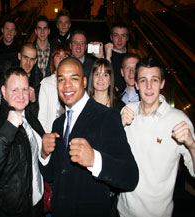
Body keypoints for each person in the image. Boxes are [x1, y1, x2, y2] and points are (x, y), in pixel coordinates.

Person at [39, 57, 139, 217]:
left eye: (74, 78)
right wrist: (44, 154)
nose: (67, 85)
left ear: (85, 82)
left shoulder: (107, 117)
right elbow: (52, 175)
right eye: (61, 79)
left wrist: (95, 160)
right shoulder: (58, 123)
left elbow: (130, 176)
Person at [118, 57, 195, 217]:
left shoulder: (178, 120)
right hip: (124, 211)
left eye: (154, 80)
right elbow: (111, 153)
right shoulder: (127, 112)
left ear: (162, 84)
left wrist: (192, 144)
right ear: (136, 85)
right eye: (143, 80)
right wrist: (118, 127)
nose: (148, 86)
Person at [0, 67, 45, 217]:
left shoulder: (32, 120)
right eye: (14, 90)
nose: (21, 95)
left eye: (24, 89)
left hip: (36, 207)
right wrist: (8, 129)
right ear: (3, 91)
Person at [38, 44, 71, 133]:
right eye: (58, 56)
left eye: (65, 56)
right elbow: (42, 115)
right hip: (50, 132)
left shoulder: (74, 83)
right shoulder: (46, 83)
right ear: (53, 60)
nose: (61, 59)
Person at [19, 42, 43, 117]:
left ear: (35, 61)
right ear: (19, 56)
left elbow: (40, 113)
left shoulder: (39, 80)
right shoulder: (9, 75)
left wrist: (33, 101)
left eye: (31, 59)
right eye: (25, 57)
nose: (28, 63)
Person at [105, 22, 129, 94]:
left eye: (123, 35)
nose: (119, 39)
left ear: (127, 38)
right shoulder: (104, 56)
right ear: (111, 37)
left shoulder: (132, 59)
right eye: (116, 35)